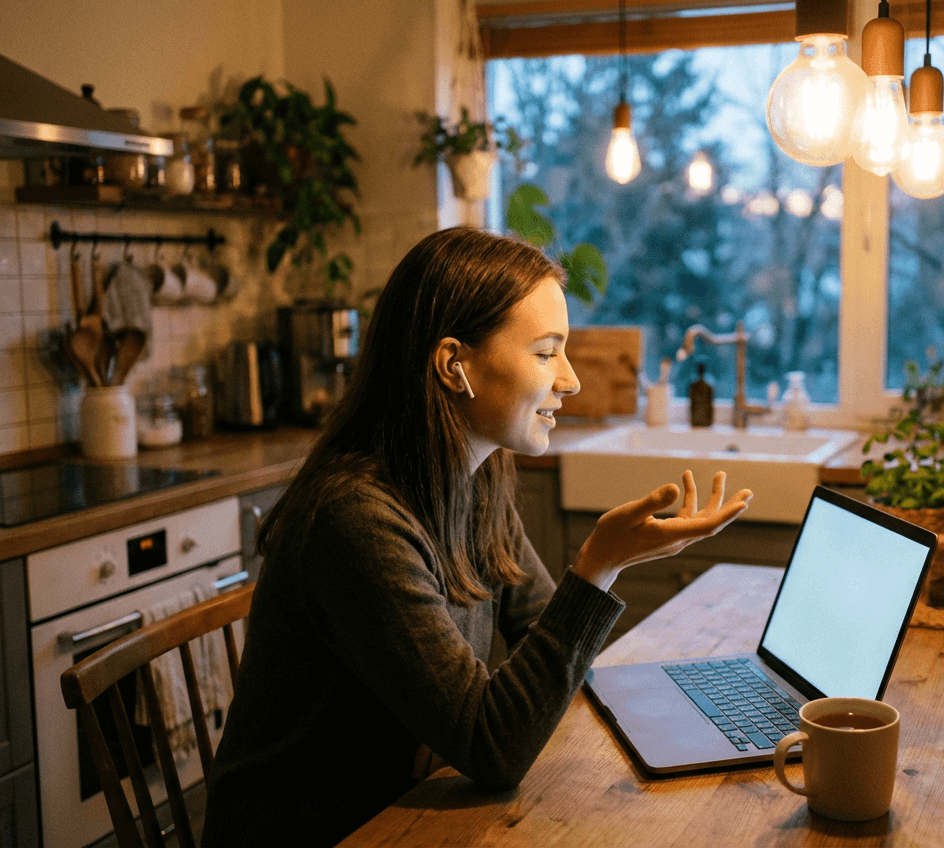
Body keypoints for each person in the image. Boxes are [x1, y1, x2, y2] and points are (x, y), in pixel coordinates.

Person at [201, 227, 753, 847]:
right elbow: (492, 748)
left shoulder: (477, 477)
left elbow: (542, 632)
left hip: (406, 808)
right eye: (546, 353)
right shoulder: (355, 518)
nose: (569, 380)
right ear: (453, 365)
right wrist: (598, 569)